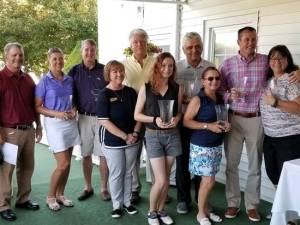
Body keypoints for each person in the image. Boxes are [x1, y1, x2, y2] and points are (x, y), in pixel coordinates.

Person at [219, 26, 300, 222]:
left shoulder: (266, 61)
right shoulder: (227, 64)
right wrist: (229, 95)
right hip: (234, 118)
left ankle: (252, 205)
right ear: (238, 42)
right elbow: (218, 89)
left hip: (257, 119)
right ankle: (232, 203)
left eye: (253, 39)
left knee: (255, 165)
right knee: (232, 164)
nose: (250, 43)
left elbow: (284, 68)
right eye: (246, 40)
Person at [134, 52, 182, 225]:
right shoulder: (146, 88)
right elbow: (137, 115)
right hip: (153, 136)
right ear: (157, 67)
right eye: (163, 65)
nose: (167, 69)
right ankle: (151, 212)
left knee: (166, 178)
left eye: (170, 66)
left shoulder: (177, 87)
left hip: (173, 136)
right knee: (160, 180)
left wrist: (177, 118)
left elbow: (178, 112)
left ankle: (161, 210)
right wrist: (154, 119)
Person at [0, 42, 42, 221]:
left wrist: (38, 125)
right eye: (14, 55)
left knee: (27, 167)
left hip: (28, 130)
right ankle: (3, 205)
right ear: (6, 57)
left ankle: (23, 199)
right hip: (9, 132)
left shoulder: (28, 79)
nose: (18, 58)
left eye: (20, 55)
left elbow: (34, 105)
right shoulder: (0, 78)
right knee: (6, 171)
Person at [35, 47, 81, 211]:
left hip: (70, 122)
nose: (58, 62)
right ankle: (50, 196)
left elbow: (74, 101)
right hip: (54, 124)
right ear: (49, 61)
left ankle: (61, 194)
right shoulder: (44, 82)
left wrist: (73, 109)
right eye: (54, 59)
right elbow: (38, 107)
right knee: (63, 163)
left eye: (60, 58)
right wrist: (57, 113)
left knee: (67, 164)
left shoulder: (69, 80)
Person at [184, 67, 230, 225]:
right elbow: (186, 121)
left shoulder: (220, 98)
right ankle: (201, 213)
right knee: (208, 181)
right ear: (203, 81)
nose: (214, 81)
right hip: (202, 146)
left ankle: (206, 209)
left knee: (209, 181)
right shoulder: (198, 99)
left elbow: (220, 119)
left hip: (216, 145)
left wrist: (226, 125)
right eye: (210, 78)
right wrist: (208, 126)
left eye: (217, 78)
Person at [260, 45, 300, 223]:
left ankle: (291, 218)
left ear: (287, 60)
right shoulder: (268, 80)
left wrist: (275, 102)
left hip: (289, 138)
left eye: (280, 58)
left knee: (290, 181)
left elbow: (299, 108)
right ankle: (283, 210)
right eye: (273, 58)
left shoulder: (292, 80)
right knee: (274, 174)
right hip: (270, 137)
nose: (276, 61)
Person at [175, 32, 214, 214]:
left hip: (203, 123)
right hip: (183, 121)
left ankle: (201, 199)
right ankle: (183, 199)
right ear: (183, 49)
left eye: (197, 46)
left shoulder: (210, 67)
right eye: (189, 47)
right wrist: (180, 101)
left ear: (202, 47)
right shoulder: (176, 68)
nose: (194, 50)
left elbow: (215, 91)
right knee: (182, 162)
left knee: (202, 163)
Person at [97, 60, 141, 218]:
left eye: (121, 71)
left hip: (132, 139)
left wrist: (135, 134)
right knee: (117, 173)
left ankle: (127, 203)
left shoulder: (130, 92)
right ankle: (117, 205)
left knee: (129, 172)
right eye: (114, 71)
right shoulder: (104, 94)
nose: (119, 74)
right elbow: (104, 121)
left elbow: (138, 115)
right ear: (108, 74)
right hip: (113, 141)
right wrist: (125, 136)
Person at [68, 39, 110, 201]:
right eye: (86, 50)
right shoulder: (74, 71)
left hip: (102, 119)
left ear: (96, 52)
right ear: (81, 52)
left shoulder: (104, 70)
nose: (89, 53)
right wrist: (71, 106)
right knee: (86, 154)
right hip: (83, 117)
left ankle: (104, 189)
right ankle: (88, 187)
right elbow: (69, 93)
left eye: (92, 50)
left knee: (103, 155)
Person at [123, 28, 156, 204]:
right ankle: (135, 189)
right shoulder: (124, 64)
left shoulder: (156, 62)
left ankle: (158, 189)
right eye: (135, 42)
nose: (139, 44)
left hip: (152, 117)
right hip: (133, 118)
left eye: (142, 41)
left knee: (154, 155)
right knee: (134, 156)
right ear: (130, 44)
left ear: (147, 42)